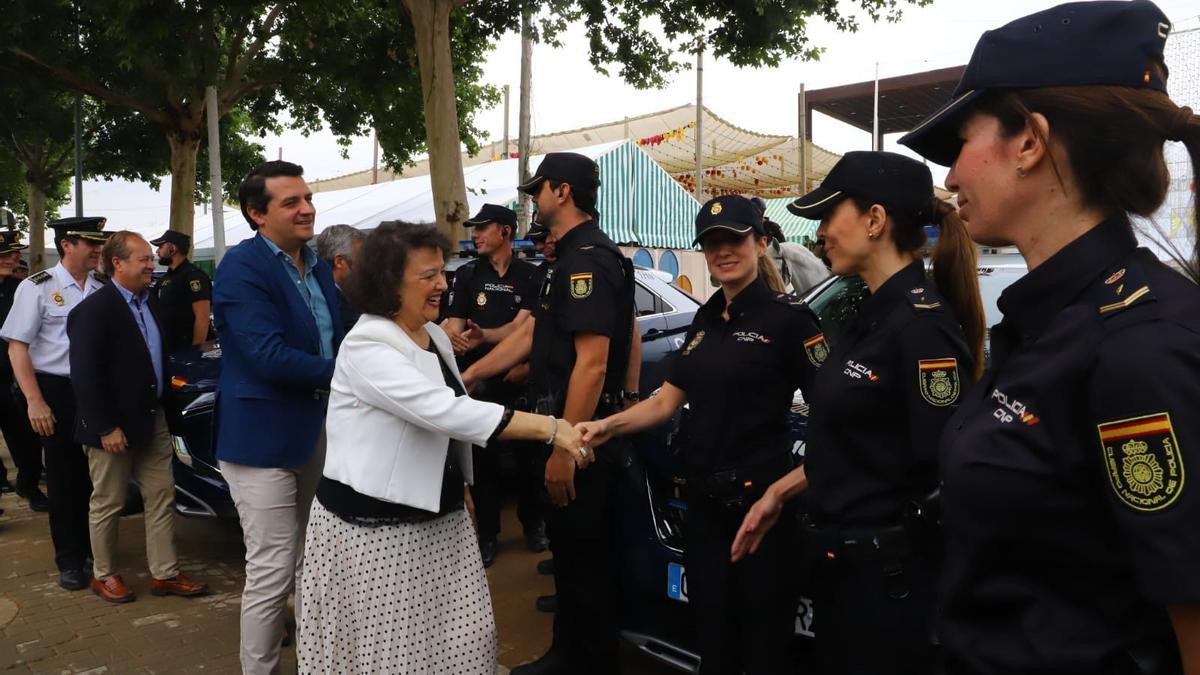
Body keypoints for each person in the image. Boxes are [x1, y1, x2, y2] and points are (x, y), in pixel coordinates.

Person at [895, 2, 1200, 672]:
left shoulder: (1137, 345)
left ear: (1029, 141)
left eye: (962, 143)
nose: (949, 178)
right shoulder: (1049, 323)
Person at [730, 151, 985, 674]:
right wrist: (781, 492)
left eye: (828, 216)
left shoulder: (921, 328)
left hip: (888, 585)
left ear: (874, 220)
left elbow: (942, 475)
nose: (820, 232)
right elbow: (858, 444)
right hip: (844, 569)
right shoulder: (872, 313)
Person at [298, 221, 591, 674]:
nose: (443, 284)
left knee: (464, 639)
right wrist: (551, 428)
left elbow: (451, 413)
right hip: (376, 530)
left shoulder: (433, 335)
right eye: (428, 275)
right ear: (388, 282)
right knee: (393, 651)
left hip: (441, 518)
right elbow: (444, 411)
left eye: (442, 272)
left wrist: (463, 485)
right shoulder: (366, 345)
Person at [577, 194, 825, 674]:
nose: (722, 251)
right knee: (712, 642)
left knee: (763, 648)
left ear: (760, 243)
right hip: (705, 511)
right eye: (711, 243)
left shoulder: (790, 319)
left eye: (733, 239)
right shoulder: (707, 318)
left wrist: (788, 489)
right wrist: (602, 426)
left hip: (763, 515)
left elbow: (832, 419)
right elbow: (665, 402)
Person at [463, 152, 637, 675]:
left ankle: (588, 661)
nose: (534, 201)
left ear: (562, 192)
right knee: (569, 554)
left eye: (538, 190)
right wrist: (468, 377)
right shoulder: (567, 257)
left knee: (585, 561)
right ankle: (568, 653)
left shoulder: (588, 259)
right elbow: (531, 334)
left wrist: (569, 445)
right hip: (561, 425)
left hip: (575, 433)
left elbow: (593, 362)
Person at [214, 160, 344, 675]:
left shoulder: (316, 263)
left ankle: (318, 660)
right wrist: (352, 373)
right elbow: (266, 355)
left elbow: (342, 331)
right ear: (256, 214)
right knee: (271, 570)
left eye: (308, 197)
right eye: (291, 202)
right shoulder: (241, 267)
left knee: (316, 560)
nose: (307, 208)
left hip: (315, 431)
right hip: (259, 442)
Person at [67, 231, 208, 604]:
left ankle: (164, 573)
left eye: (151, 258)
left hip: (154, 420)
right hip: (111, 427)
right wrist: (105, 426)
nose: (152, 264)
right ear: (118, 263)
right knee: (108, 502)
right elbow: (84, 375)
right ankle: (104, 575)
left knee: (161, 496)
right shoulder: (92, 311)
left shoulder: (152, 302)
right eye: (143, 259)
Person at [1, 217, 109, 590]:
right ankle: (71, 559)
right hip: (56, 392)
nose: (98, 250)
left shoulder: (102, 286)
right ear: (67, 245)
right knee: (64, 480)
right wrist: (34, 401)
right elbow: (18, 348)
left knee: (99, 477)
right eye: (90, 243)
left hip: (95, 391)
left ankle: (97, 550)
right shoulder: (37, 288)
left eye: (100, 243)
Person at [443, 203, 545, 564]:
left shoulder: (531, 276)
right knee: (483, 467)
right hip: (479, 389)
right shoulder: (467, 275)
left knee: (529, 462)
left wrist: (482, 334)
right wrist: (447, 338)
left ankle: (533, 525)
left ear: (505, 231)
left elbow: (522, 332)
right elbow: (454, 326)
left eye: (483, 228)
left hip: (518, 383)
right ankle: (488, 535)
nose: (475, 235)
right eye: (474, 228)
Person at [0, 229, 47, 511]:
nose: (12, 258)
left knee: (29, 444)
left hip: (15, 381)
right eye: (5, 254)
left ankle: (28, 486)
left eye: (14, 253)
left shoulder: (21, 290)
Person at [149, 230, 212, 352]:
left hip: (187, 349)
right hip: (169, 348)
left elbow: (202, 318)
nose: (157, 252)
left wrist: (195, 353)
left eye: (161, 247)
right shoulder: (164, 279)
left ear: (173, 249)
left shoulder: (194, 277)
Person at [314, 224, 365, 333]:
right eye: (363, 258)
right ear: (340, 262)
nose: (367, 266)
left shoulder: (348, 294)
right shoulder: (326, 305)